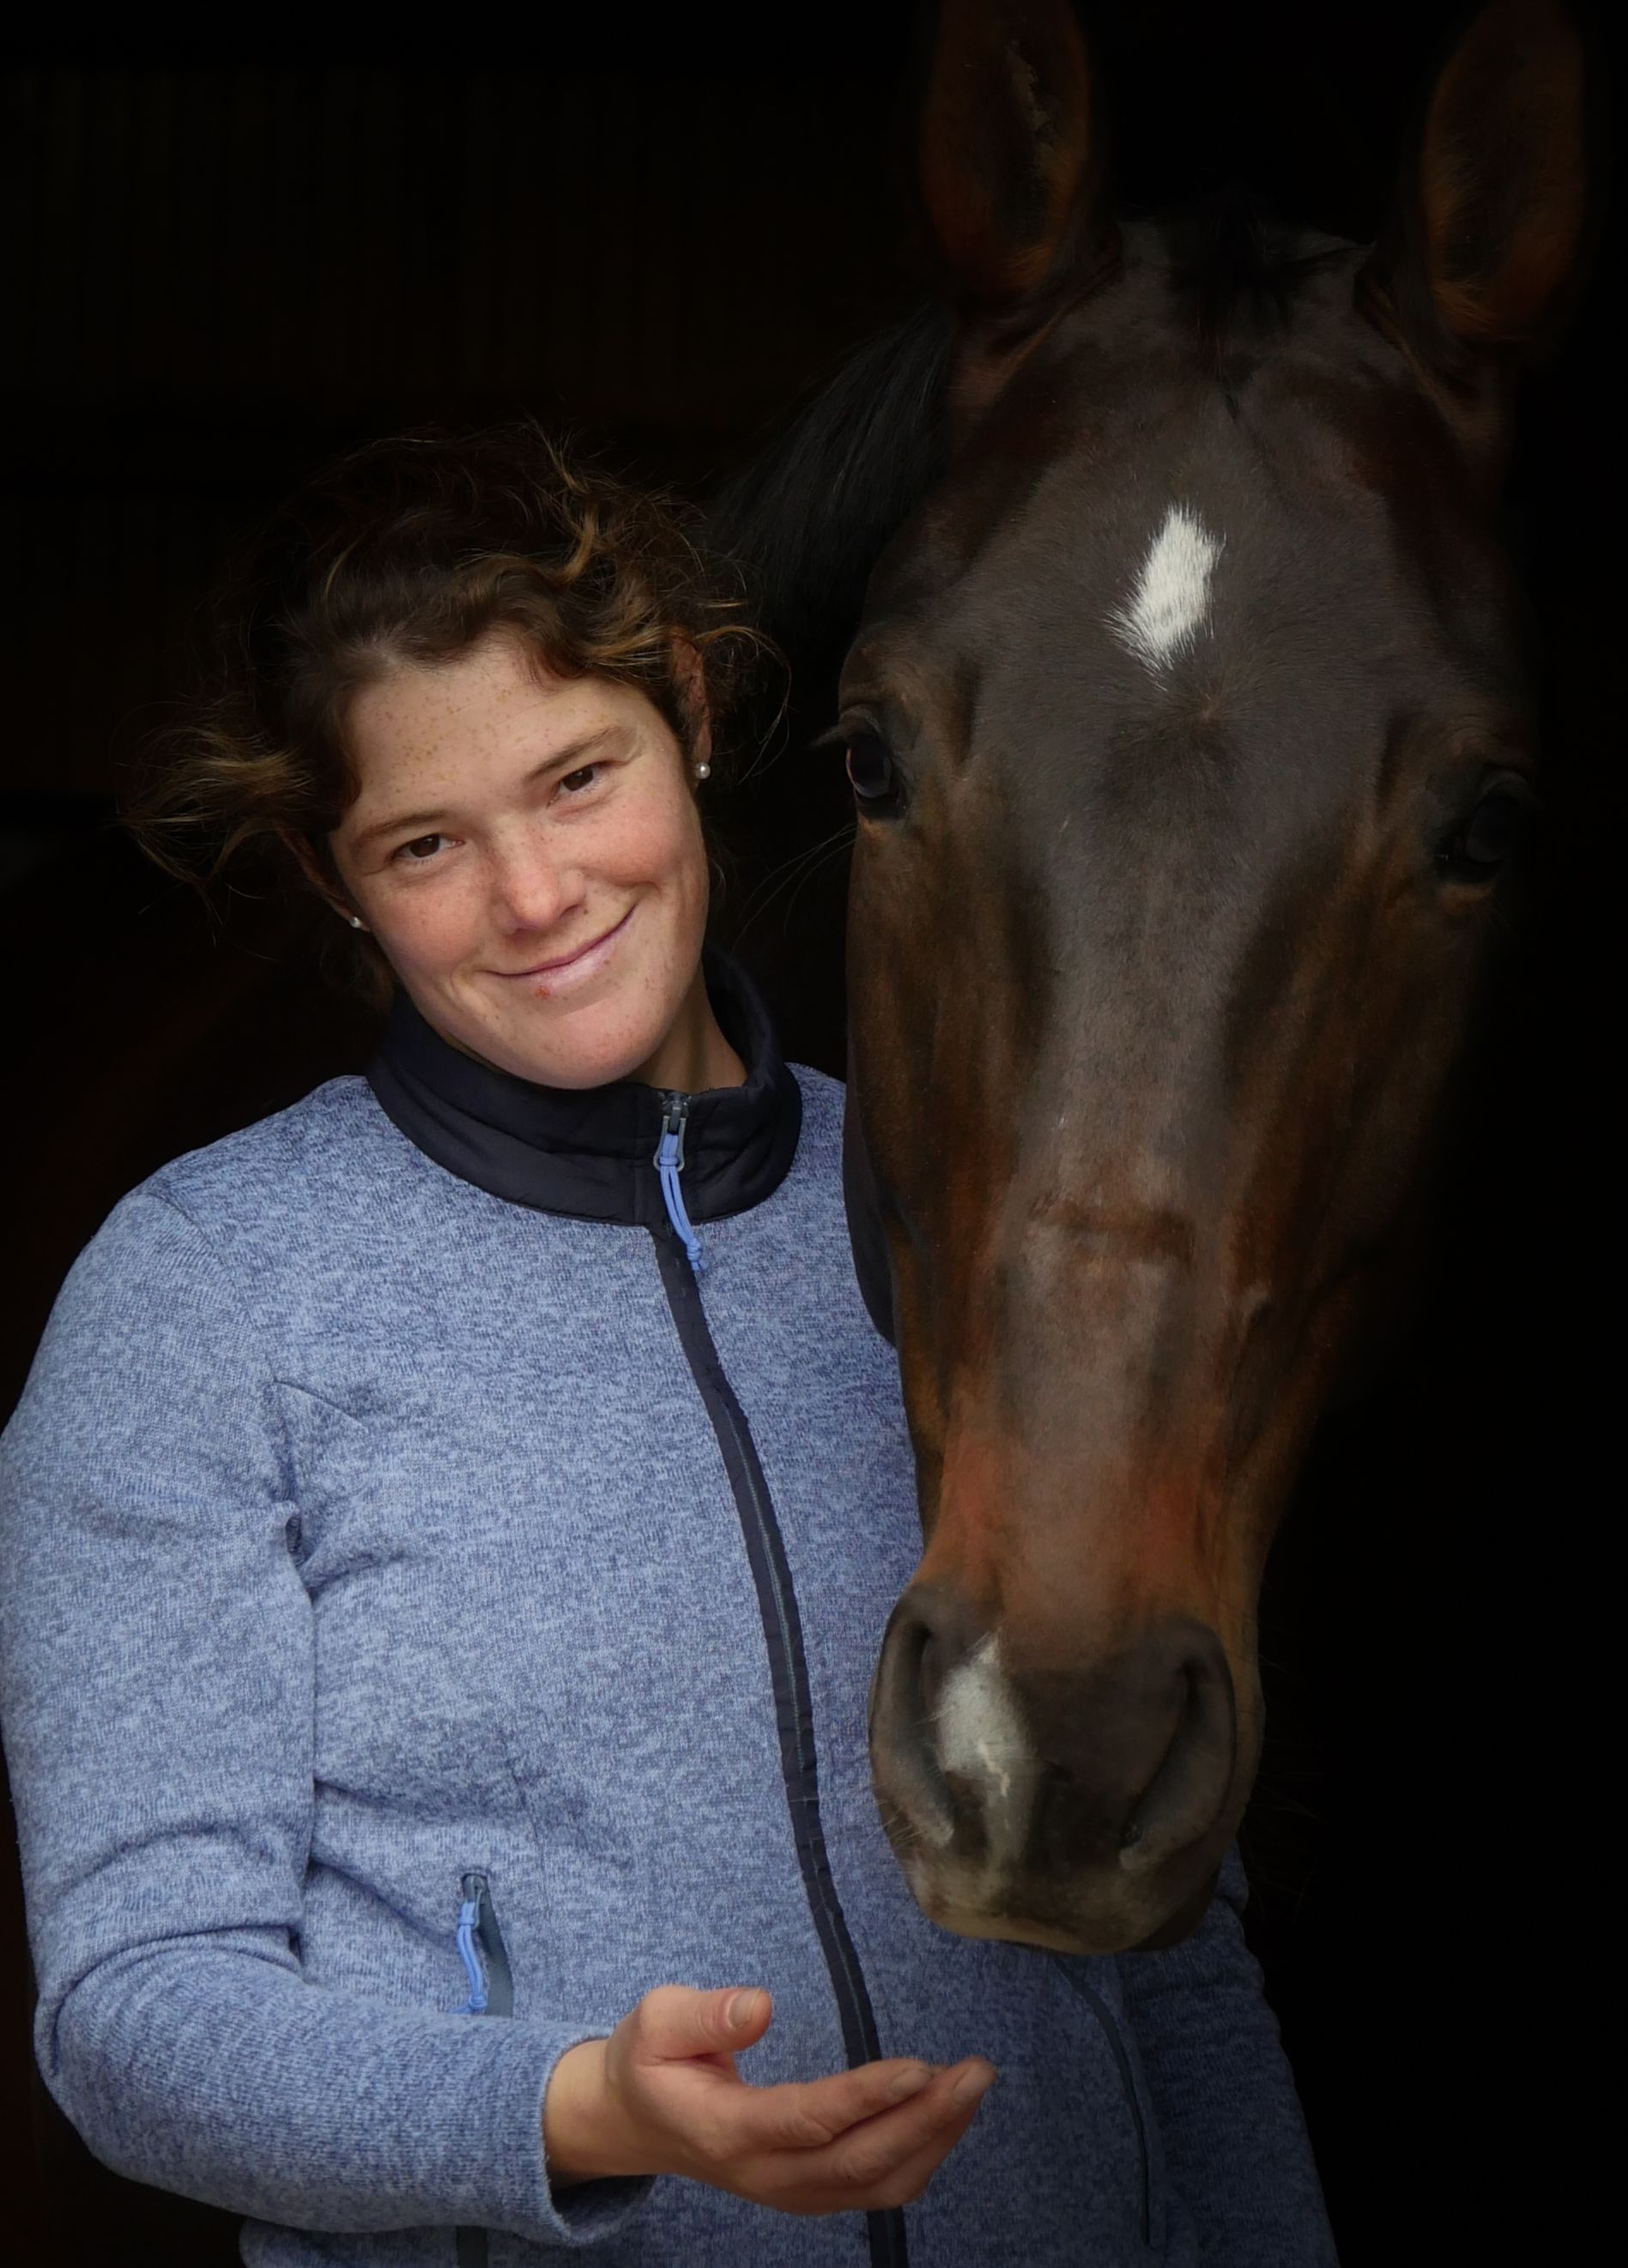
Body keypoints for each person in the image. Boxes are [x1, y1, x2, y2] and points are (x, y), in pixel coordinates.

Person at [0, 425, 1335, 2265]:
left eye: (576, 775)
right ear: (333, 878)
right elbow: (134, 2012)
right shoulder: (209, 1297)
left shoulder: (964, 1228)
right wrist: (568, 2109)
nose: (534, 894)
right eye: (425, 840)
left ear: (692, 711)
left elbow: (1167, 1942)